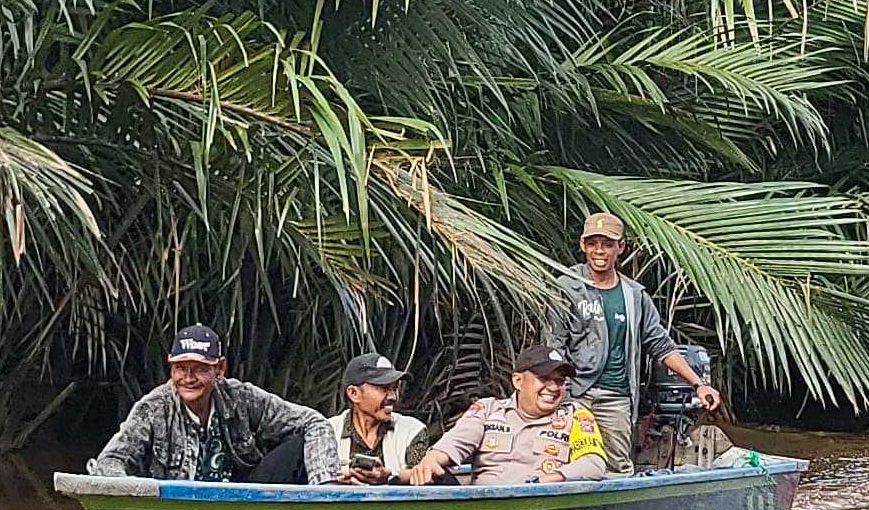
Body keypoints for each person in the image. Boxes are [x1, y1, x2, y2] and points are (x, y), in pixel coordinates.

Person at [538, 209, 720, 472]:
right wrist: (555, 391)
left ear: (620, 247)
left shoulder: (634, 296)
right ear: (582, 246)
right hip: (575, 395)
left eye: (607, 245)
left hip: (617, 398)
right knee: (563, 465)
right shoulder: (566, 288)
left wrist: (699, 384)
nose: (599, 251)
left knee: (617, 470)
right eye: (592, 244)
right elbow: (553, 347)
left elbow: (660, 344)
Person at [88, 325, 321, 483]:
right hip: (175, 507)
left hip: (244, 500)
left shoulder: (242, 397)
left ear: (219, 369)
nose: (188, 379)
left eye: (199, 369)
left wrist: (325, 482)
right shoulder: (153, 408)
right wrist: (127, 488)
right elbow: (111, 460)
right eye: (181, 369)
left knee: (298, 444)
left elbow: (314, 423)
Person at [407, 344, 610, 489]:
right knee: (419, 476)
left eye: (559, 381)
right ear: (518, 381)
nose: (553, 387)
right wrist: (430, 460)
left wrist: (551, 479)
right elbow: (454, 443)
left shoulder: (576, 416)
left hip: (542, 503)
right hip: (483, 506)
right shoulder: (488, 410)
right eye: (544, 378)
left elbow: (593, 464)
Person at [308, 353, 427, 484]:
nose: (393, 396)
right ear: (354, 393)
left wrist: (389, 478)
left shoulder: (413, 431)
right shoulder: (325, 433)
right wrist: (332, 479)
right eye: (384, 388)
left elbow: (422, 475)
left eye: (395, 388)